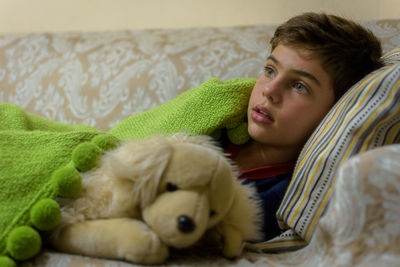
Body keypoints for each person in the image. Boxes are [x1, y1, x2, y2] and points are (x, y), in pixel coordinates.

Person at [225, 12, 383, 241]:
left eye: (299, 86)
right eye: (270, 70)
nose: (269, 91)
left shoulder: (283, 199)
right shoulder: (218, 131)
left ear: (334, 111)